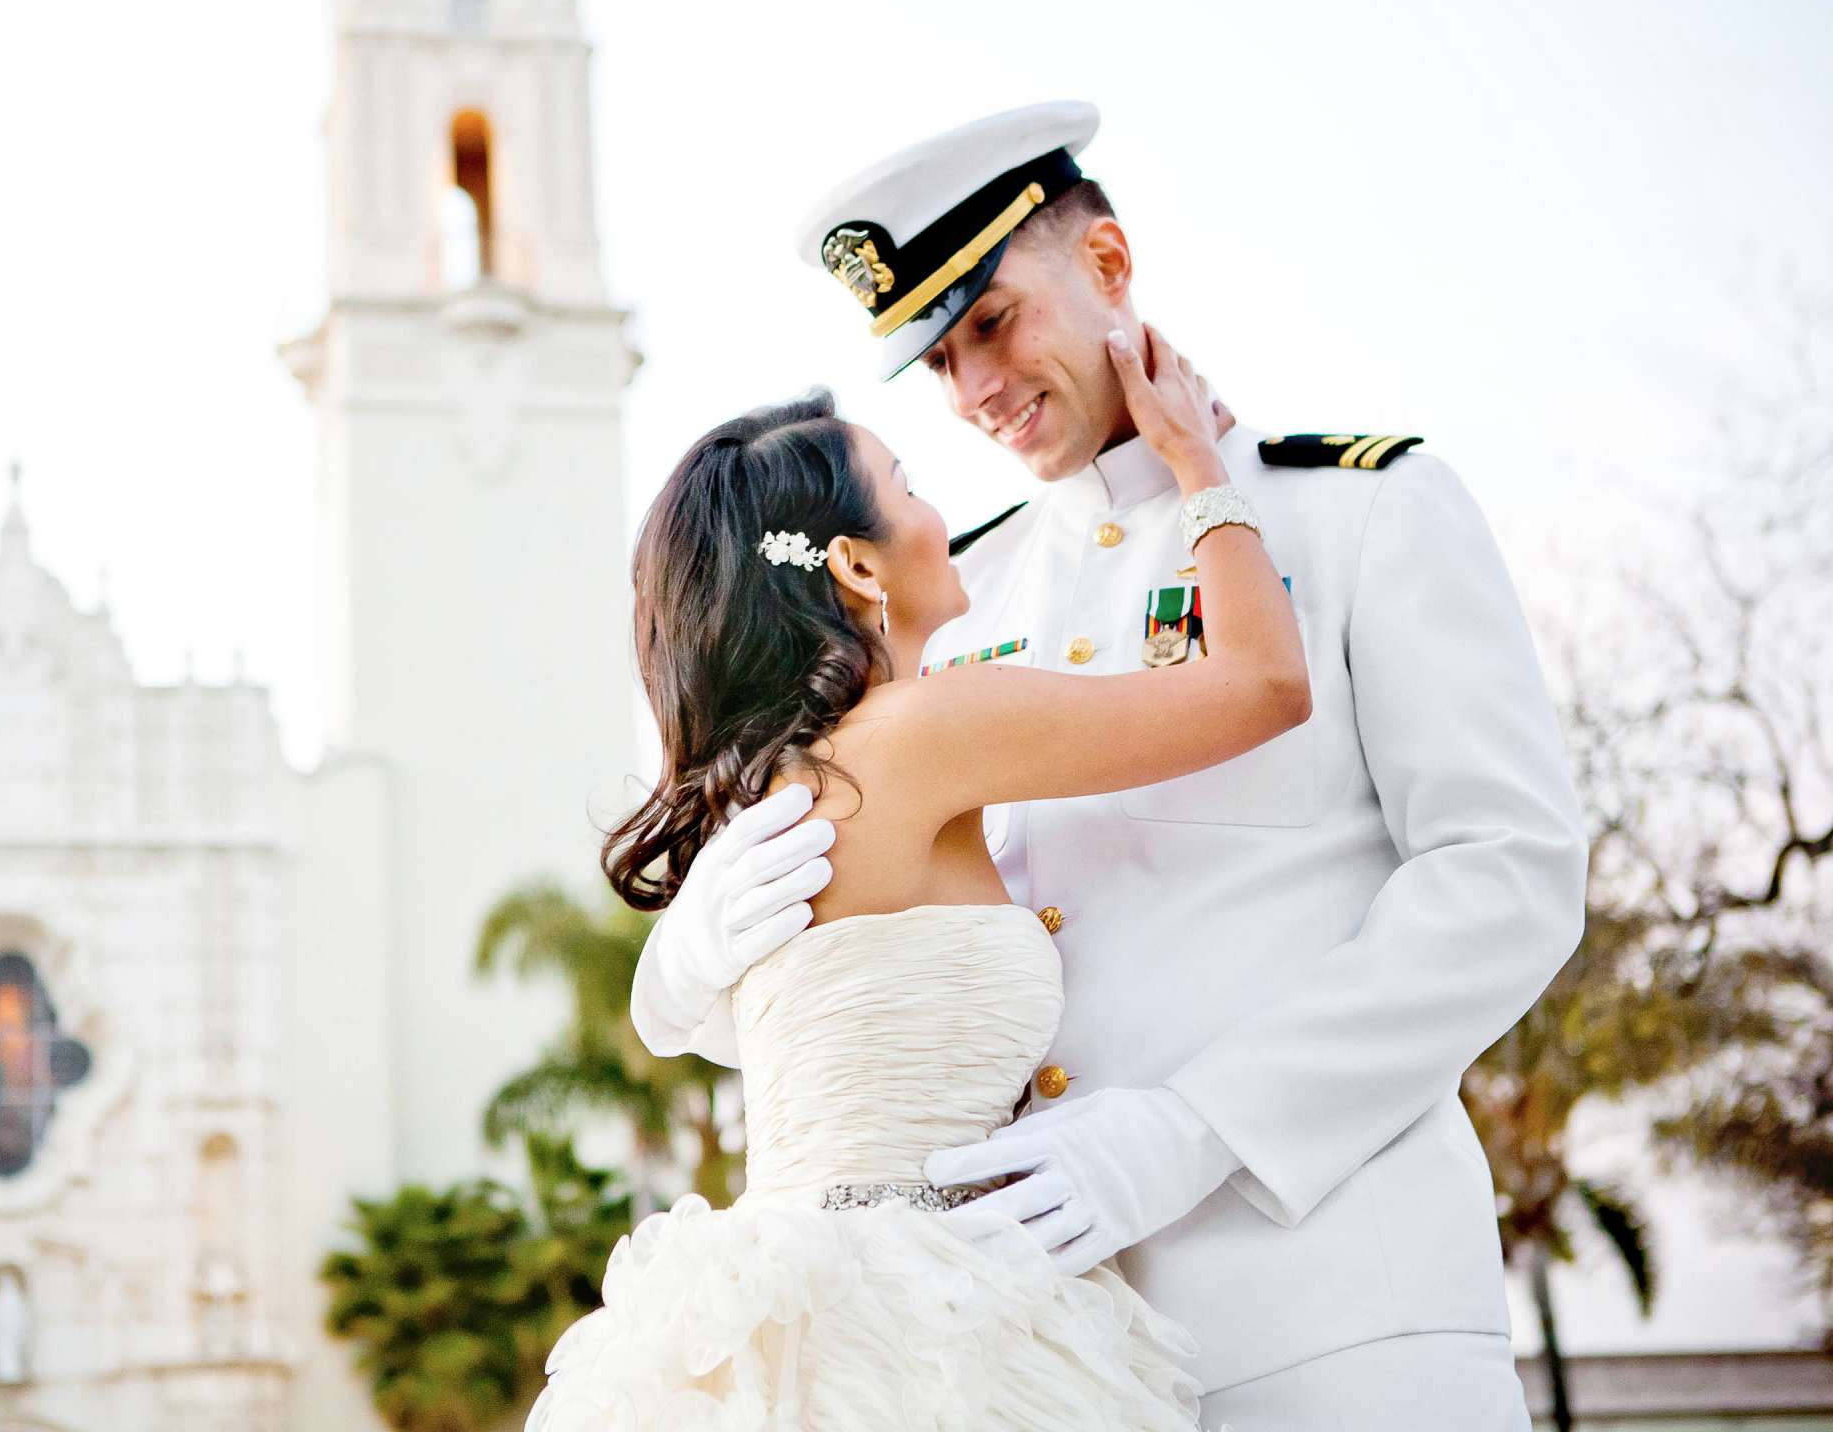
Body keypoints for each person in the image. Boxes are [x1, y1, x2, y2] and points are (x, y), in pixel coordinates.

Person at [630, 100, 1587, 1428]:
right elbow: (878, 984)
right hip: (1035, 1356)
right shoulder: (955, 596)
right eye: (936, 363)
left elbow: (1509, 883)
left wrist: (1191, 1132)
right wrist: (687, 968)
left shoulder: (1361, 509)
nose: (974, 393)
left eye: (991, 324)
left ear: (1110, 270)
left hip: (1335, 1314)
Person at [531, 328, 1297, 1427]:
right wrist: (1197, 466)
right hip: (927, 1327)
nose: (941, 514)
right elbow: (1265, 684)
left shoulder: (774, 792)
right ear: (854, 564)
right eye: (911, 485)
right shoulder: (929, 728)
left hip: (791, 1313)